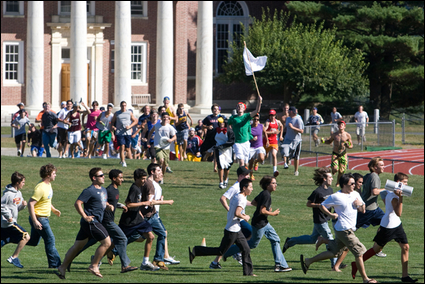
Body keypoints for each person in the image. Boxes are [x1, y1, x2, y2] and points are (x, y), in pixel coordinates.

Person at [300, 174, 377, 283]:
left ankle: (308, 261)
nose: (354, 185)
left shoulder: (355, 194)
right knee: (359, 253)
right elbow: (322, 205)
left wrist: (360, 204)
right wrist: (330, 215)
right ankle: (366, 279)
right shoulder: (336, 196)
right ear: (344, 185)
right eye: (352, 184)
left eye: (355, 183)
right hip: (344, 229)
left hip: (348, 228)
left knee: (334, 252)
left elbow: (363, 210)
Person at [351, 173, 418, 283]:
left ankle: (405, 277)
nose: (407, 184)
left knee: (405, 247)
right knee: (376, 249)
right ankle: (356, 264)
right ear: (398, 183)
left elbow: (383, 194)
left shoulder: (391, 192)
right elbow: (399, 213)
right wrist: (400, 197)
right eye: (405, 182)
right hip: (388, 226)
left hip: (397, 224)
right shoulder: (393, 197)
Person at [73, 169, 139, 273]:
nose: (122, 179)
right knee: (122, 238)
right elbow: (101, 201)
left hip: (105, 220)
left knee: (89, 242)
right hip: (106, 220)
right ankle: (125, 265)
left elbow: (106, 202)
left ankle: (75, 258)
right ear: (114, 179)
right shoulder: (109, 190)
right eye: (120, 178)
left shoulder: (115, 190)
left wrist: (120, 205)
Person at [222, 175, 292, 272]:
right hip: (259, 224)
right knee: (252, 244)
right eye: (273, 183)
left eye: (276, 183)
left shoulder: (264, 193)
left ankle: (280, 265)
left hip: (264, 223)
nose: (276, 185)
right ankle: (227, 252)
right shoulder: (266, 195)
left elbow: (255, 202)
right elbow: (262, 211)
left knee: (276, 239)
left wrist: (265, 209)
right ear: (267, 185)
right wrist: (272, 213)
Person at [189, 178, 256, 276]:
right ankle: (197, 250)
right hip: (232, 231)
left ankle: (248, 273)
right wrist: (245, 217)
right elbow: (237, 213)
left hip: (236, 229)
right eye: (250, 187)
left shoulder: (238, 196)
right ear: (244, 188)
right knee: (221, 251)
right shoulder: (241, 198)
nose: (252, 189)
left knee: (246, 249)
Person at [56, 167, 112, 279]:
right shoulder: (89, 190)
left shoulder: (103, 190)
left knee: (77, 246)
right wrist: (85, 216)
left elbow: (101, 202)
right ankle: (94, 265)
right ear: (94, 178)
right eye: (100, 175)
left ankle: (62, 267)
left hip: (92, 222)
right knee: (107, 243)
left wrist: (108, 206)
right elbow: (78, 203)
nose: (103, 177)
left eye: (103, 175)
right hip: (92, 222)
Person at [282, 168, 338, 269]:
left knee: (312, 239)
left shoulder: (330, 190)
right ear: (324, 179)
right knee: (329, 239)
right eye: (330, 177)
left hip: (326, 219)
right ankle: (335, 264)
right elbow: (308, 204)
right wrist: (319, 205)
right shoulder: (317, 191)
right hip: (320, 220)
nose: (332, 179)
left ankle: (290, 241)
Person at [210, 166, 253, 268]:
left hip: (239, 218)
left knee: (229, 242)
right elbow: (223, 198)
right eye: (246, 174)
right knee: (250, 232)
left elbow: (243, 201)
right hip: (238, 218)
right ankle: (236, 252)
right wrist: (230, 210)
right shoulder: (235, 187)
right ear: (241, 176)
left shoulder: (242, 186)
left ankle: (215, 262)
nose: (248, 176)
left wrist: (254, 204)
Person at [118, 169, 160, 271]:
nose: (144, 181)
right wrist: (144, 203)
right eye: (142, 179)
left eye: (145, 178)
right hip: (129, 221)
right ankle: (97, 259)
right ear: (136, 179)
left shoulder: (139, 187)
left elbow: (127, 201)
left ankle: (145, 263)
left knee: (150, 236)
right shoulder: (134, 188)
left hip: (138, 219)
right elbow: (129, 204)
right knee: (114, 242)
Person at [140, 163, 176, 270]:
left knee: (162, 233)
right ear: (152, 172)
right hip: (148, 216)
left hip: (154, 215)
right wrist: (165, 202)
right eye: (159, 171)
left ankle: (158, 260)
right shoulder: (150, 184)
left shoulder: (155, 184)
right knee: (134, 237)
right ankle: (111, 251)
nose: (161, 173)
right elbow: (149, 202)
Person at [27, 164, 62, 268]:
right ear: (48, 175)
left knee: (33, 241)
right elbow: (30, 204)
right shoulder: (40, 187)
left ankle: (10, 238)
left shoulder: (48, 185)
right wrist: (35, 221)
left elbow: (45, 200)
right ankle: (55, 265)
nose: (55, 175)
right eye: (54, 173)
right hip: (40, 219)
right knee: (50, 239)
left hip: (42, 218)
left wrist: (53, 209)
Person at [356, 156, 387, 257]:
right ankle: (330, 243)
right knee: (349, 231)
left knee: (386, 223)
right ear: (375, 167)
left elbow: (360, 185)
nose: (384, 166)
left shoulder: (369, 175)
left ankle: (377, 248)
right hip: (367, 210)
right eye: (381, 165)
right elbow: (374, 192)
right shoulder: (374, 176)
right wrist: (388, 190)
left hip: (374, 208)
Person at [1, 172, 30, 268]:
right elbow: (2, 206)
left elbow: (16, 208)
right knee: (25, 236)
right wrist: (8, 216)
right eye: (23, 182)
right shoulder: (8, 194)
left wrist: (23, 206)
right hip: (8, 223)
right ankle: (14, 257)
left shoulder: (19, 193)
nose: (24, 184)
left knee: (4, 239)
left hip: (10, 222)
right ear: (17, 182)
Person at [228, 96, 262, 167]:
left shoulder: (247, 116)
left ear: (244, 109)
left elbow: (256, 111)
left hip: (246, 142)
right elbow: (228, 125)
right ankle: (241, 177)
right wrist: (230, 134)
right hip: (237, 142)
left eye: (241, 106)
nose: (240, 107)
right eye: (238, 106)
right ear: (236, 109)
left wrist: (259, 102)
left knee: (246, 162)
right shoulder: (233, 118)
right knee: (241, 161)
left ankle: (245, 175)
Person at [322, 120, 353, 187]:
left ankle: (338, 183)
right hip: (335, 154)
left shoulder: (347, 135)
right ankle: (334, 170)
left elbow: (351, 145)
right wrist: (324, 141)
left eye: (341, 124)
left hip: (343, 154)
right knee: (335, 169)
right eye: (339, 124)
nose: (340, 125)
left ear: (344, 126)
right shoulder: (334, 134)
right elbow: (329, 141)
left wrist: (348, 146)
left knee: (342, 171)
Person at [147, 112, 177, 179]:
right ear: (161, 118)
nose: (165, 119)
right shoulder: (157, 125)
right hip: (158, 146)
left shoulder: (170, 127)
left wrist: (171, 140)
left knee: (164, 164)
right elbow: (150, 132)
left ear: (168, 118)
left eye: (167, 117)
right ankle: (157, 172)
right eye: (164, 117)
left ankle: (161, 176)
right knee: (161, 160)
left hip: (166, 147)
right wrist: (148, 142)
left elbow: (174, 137)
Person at [111, 101, 138, 167]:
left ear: (126, 106)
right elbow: (112, 122)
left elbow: (135, 121)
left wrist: (130, 126)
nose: (123, 107)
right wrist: (113, 127)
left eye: (125, 105)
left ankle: (122, 157)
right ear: (120, 106)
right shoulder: (117, 113)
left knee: (127, 149)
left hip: (127, 133)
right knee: (122, 146)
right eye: (122, 105)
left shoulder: (129, 113)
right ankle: (123, 161)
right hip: (119, 132)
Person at [281, 106, 304, 176]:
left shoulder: (298, 119)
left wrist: (292, 127)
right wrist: (281, 134)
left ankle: (296, 171)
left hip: (296, 140)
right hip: (288, 139)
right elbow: (286, 128)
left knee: (296, 156)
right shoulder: (288, 119)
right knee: (284, 151)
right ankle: (287, 160)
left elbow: (301, 131)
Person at [213, 117, 235, 189]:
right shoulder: (216, 130)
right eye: (220, 123)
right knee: (220, 166)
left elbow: (231, 141)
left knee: (227, 167)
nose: (221, 124)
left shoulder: (229, 131)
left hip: (227, 150)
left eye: (222, 123)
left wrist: (223, 146)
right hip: (219, 150)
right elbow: (211, 139)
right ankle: (221, 182)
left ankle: (226, 179)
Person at [263, 109, 284, 177]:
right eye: (271, 115)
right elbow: (264, 131)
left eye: (273, 115)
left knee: (274, 154)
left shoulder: (277, 122)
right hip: (267, 141)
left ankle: (275, 170)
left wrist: (281, 135)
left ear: (275, 115)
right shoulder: (267, 122)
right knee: (265, 156)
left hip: (274, 141)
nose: (272, 117)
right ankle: (257, 162)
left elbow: (281, 126)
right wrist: (272, 132)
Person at [247, 114, 266, 179]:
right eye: (254, 119)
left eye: (257, 119)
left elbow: (265, 132)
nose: (256, 120)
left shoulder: (261, 126)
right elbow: (247, 136)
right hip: (251, 146)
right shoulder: (249, 127)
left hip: (259, 145)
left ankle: (256, 162)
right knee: (250, 162)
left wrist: (267, 141)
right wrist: (251, 139)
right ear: (252, 120)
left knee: (262, 158)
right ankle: (251, 175)